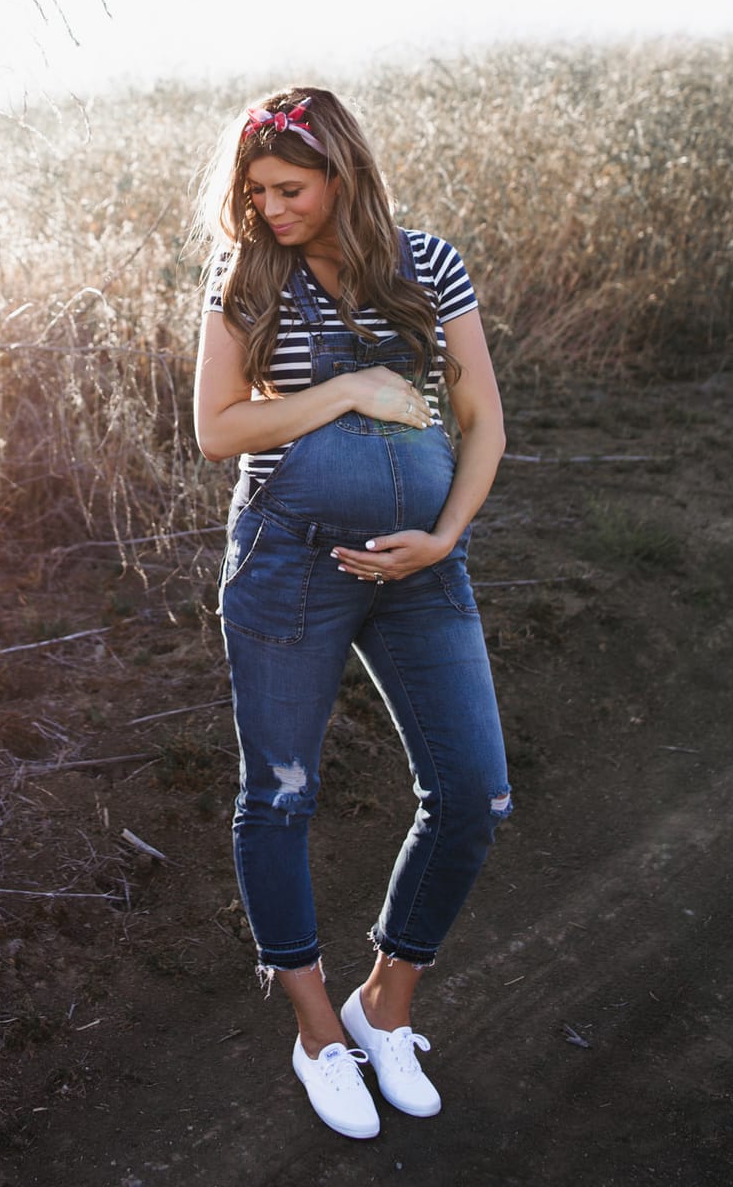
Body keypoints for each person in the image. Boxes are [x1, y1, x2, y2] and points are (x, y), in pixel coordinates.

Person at [193, 87, 512, 1141]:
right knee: (279, 795)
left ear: (342, 176)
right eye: (255, 192)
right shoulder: (248, 273)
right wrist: (350, 391)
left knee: (472, 791)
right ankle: (319, 1029)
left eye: (289, 189)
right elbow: (217, 429)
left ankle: (386, 1006)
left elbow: (483, 421)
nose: (269, 208)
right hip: (287, 565)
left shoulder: (429, 264)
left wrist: (447, 538)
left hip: (421, 566)